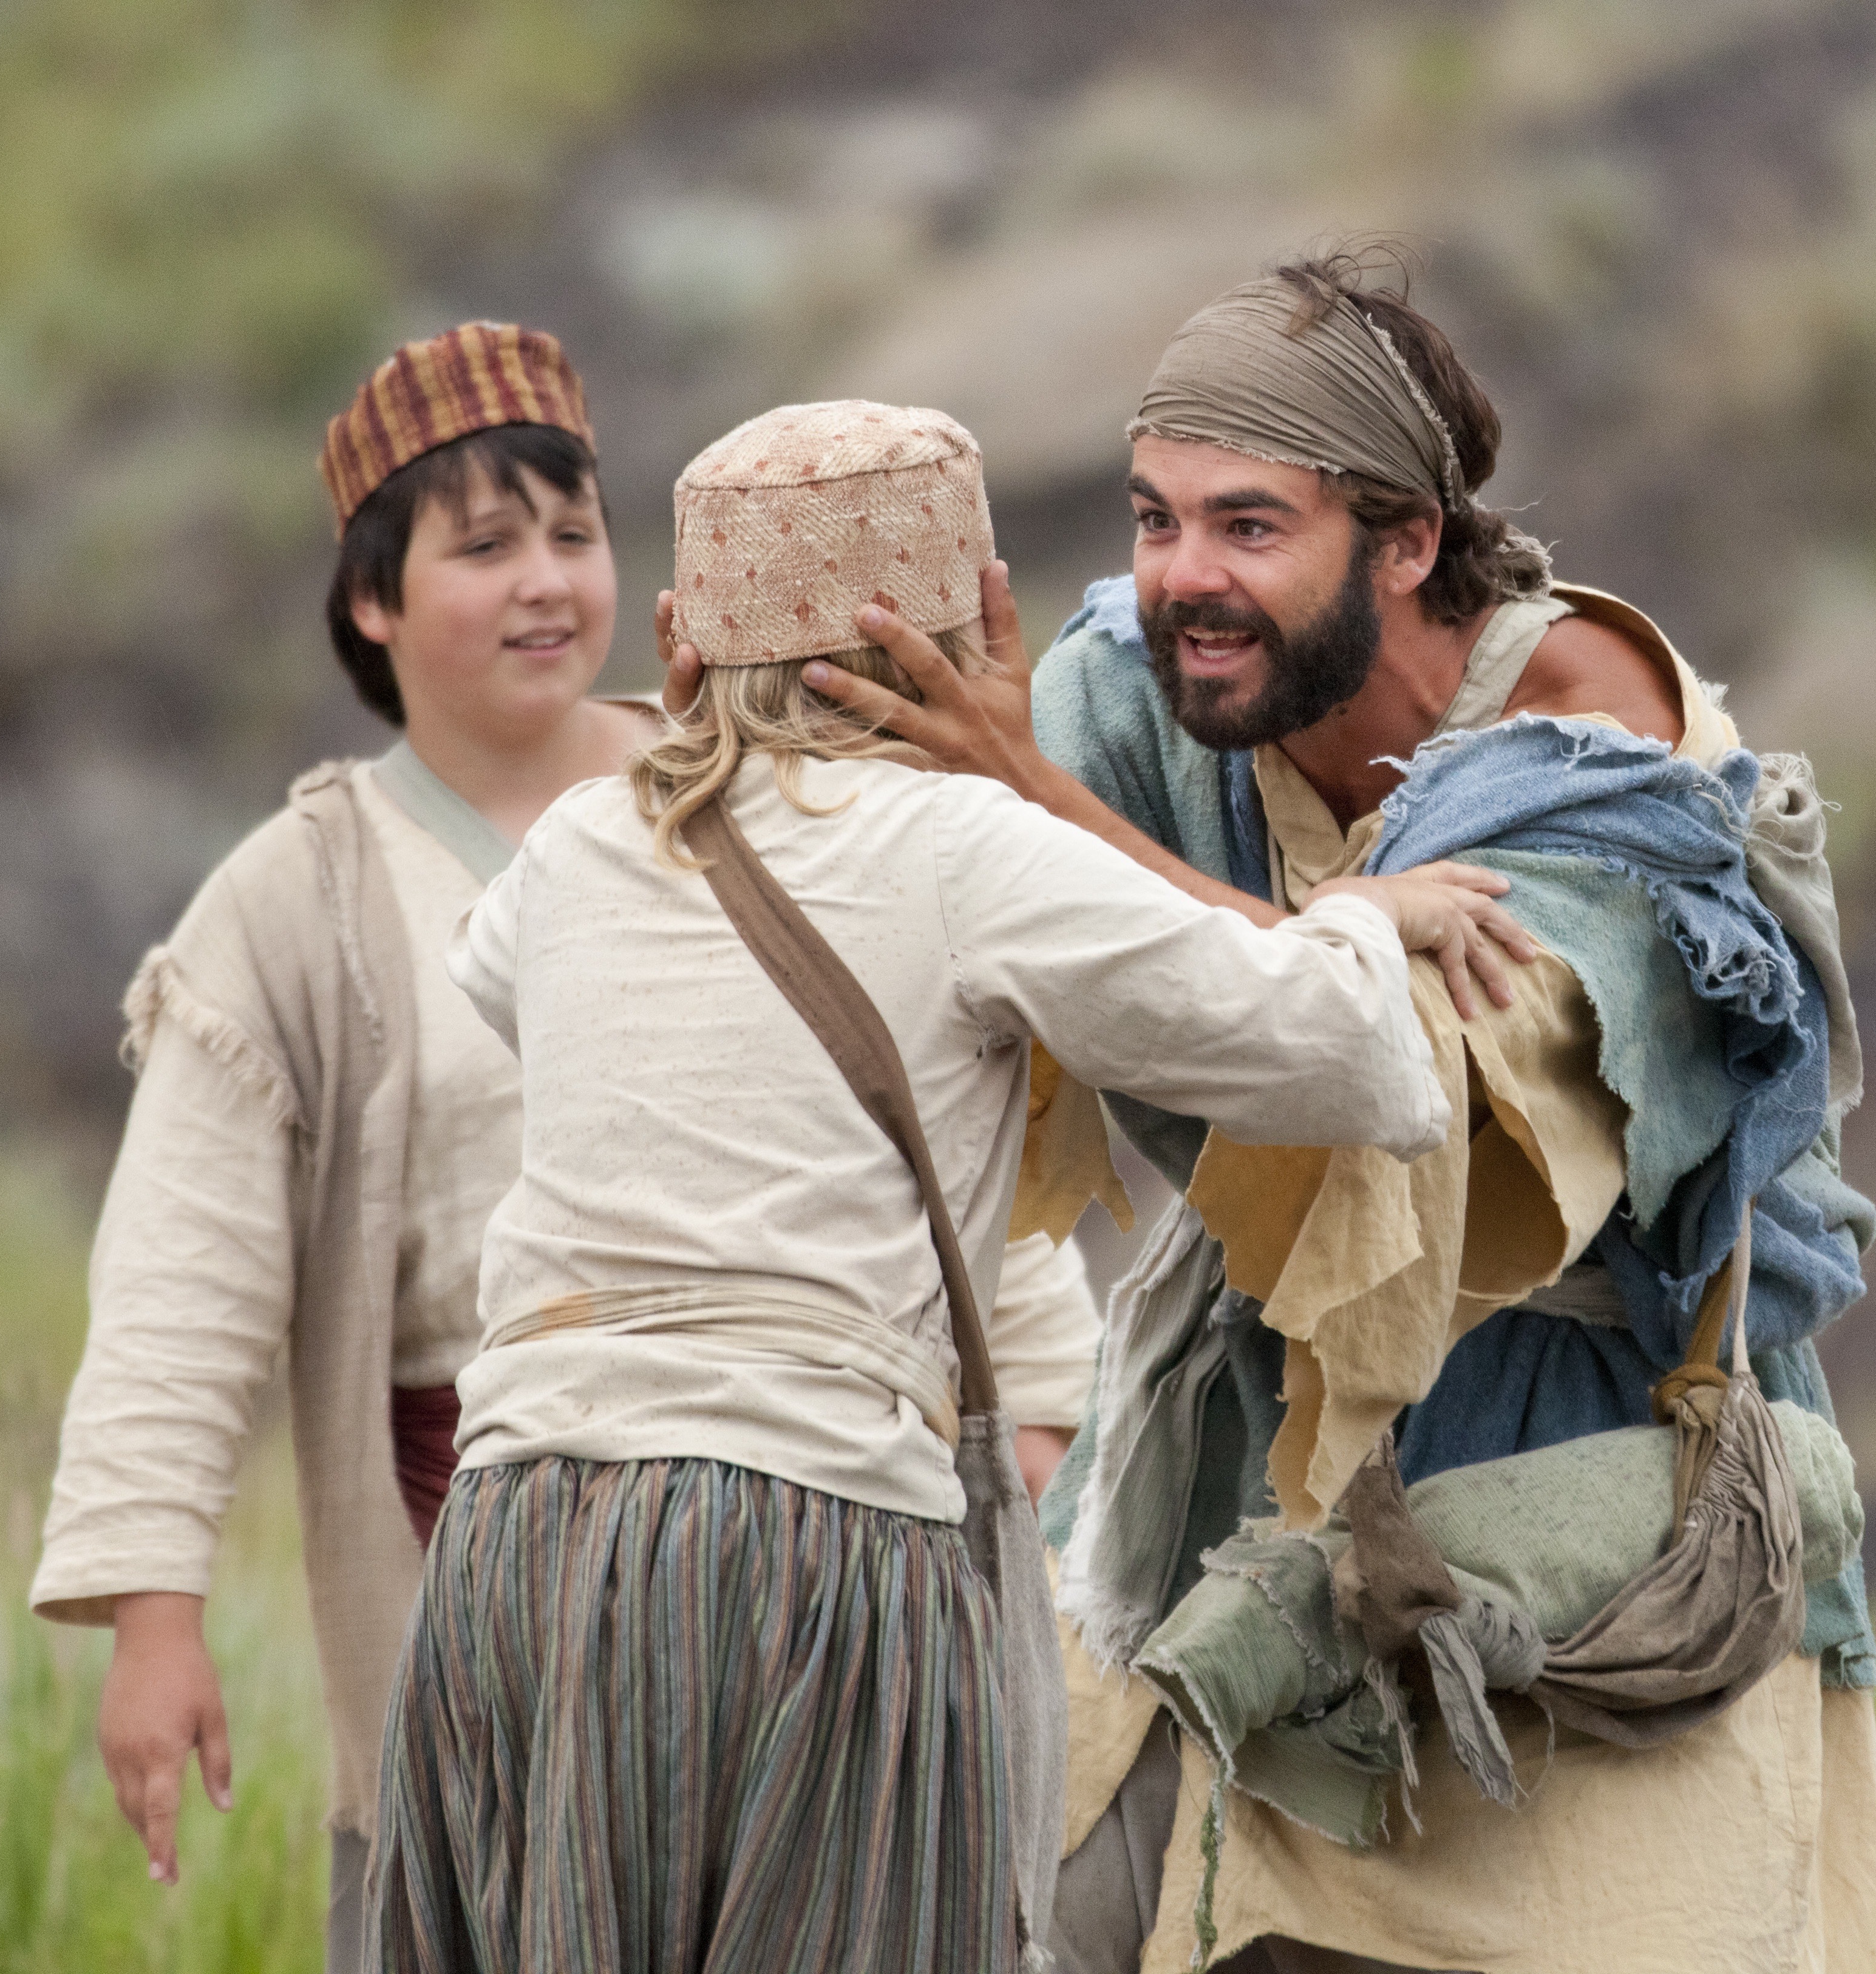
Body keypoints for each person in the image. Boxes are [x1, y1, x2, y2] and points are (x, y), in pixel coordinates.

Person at [797, 254, 1876, 1972]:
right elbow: (865, 831)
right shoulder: (1140, 695)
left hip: (1587, 1516)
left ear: (1403, 541)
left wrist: (1034, 809)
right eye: (1158, 519)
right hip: (1242, 1486)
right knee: (1032, 1903)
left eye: (1250, 525)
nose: (1184, 579)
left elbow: (1407, 1079)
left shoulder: (1598, 744)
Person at [370, 399, 1535, 1973]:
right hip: (797, 1535)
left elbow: (502, 981)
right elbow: (1346, 1061)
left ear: (680, 630)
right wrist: (1360, 915)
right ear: (974, 619)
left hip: (520, 1527)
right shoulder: (966, 845)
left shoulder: (578, 845)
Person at [24, 323, 1099, 1966]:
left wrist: (1022, 1408)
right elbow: (186, 1266)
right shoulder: (292, 902)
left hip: (828, 1515)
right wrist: (152, 1612)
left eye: (575, 536)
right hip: (492, 1560)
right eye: (483, 546)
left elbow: (942, 1106)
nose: (545, 582)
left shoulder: (768, 788)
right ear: (373, 601)